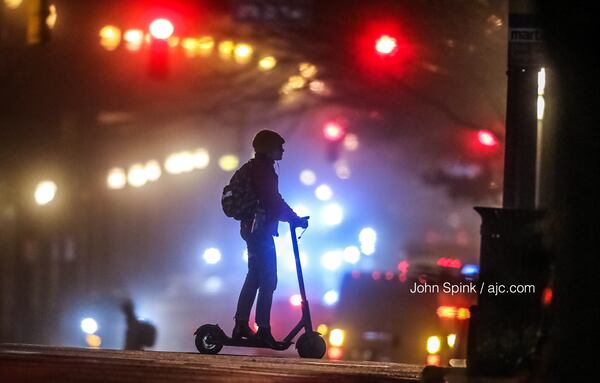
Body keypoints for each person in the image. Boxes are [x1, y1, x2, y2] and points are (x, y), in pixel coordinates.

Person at [232, 130, 308, 349]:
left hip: (253, 229)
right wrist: (294, 219)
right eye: (279, 147)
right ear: (268, 149)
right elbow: (273, 201)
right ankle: (262, 329)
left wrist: (292, 218)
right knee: (268, 279)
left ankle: (241, 325)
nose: (282, 150)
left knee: (254, 277)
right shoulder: (262, 171)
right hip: (260, 231)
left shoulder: (258, 169)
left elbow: (272, 201)